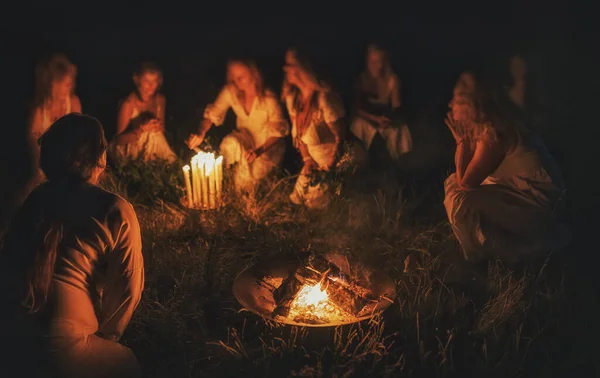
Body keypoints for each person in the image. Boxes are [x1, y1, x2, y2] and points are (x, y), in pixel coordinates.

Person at [0, 114, 144, 378]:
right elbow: (127, 288)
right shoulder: (115, 209)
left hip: (13, 340)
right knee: (128, 364)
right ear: (100, 157)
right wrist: (107, 335)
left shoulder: (36, 200)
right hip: (66, 349)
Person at [443, 70, 568, 263]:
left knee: (460, 196)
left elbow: (467, 183)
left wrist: (461, 143)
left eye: (457, 100)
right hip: (521, 189)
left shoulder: (494, 132)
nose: (451, 106)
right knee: (453, 183)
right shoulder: (483, 127)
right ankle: (495, 243)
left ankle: (481, 258)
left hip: (539, 201)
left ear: (472, 105)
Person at [186, 59, 289, 192]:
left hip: (266, 148)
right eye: (233, 77)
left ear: (253, 73)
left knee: (253, 184)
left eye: (241, 76)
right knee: (230, 143)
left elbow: (278, 134)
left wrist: (258, 151)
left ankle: (246, 195)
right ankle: (223, 188)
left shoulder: (268, 98)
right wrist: (201, 132)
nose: (236, 81)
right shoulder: (231, 91)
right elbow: (212, 114)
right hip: (244, 140)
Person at [282, 48, 365, 208]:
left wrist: (328, 169)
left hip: (342, 159)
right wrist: (308, 160)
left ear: (303, 68)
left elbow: (341, 139)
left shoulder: (324, 99)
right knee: (296, 200)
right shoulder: (293, 98)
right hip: (316, 161)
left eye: (290, 64)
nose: (284, 69)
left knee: (315, 204)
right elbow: (299, 137)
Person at [350, 44, 412, 164]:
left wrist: (388, 118)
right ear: (367, 62)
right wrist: (374, 119)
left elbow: (396, 107)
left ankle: (399, 163)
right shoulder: (362, 80)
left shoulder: (392, 80)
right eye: (374, 62)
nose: (378, 66)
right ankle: (362, 162)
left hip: (384, 118)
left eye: (381, 61)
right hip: (366, 118)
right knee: (357, 124)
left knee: (398, 130)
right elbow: (357, 108)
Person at [109, 62, 177, 163]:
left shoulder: (160, 100)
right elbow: (119, 140)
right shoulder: (128, 104)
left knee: (154, 135)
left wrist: (157, 126)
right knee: (149, 134)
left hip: (153, 141)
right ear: (138, 81)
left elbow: (162, 130)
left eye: (154, 81)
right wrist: (142, 129)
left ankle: (160, 165)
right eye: (146, 81)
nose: (151, 85)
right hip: (127, 145)